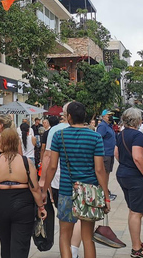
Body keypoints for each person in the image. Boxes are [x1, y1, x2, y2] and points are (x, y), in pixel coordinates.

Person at [43, 102, 110, 258]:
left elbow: (52, 167)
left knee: (64, 236)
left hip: (67, 191)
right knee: (88, 238)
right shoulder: (95, 137)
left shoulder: (59, 136)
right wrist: (106, 195)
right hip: (89, 193)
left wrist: (45, 188)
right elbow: (99, 170)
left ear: (69, 117)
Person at [0, 126, 47, 258]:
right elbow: (34, 188)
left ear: (2, 143)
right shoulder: (26, 162)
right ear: (17, 142)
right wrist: (41, 206)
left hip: (0, 203)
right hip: (23, 203)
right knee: (20, 245)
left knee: (5, 243)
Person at [40, 105, 85, 257]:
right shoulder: (89, 132)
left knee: (65, 218)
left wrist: (43, 180)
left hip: (60, 181)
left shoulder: (56, 131)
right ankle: (74, 249)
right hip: (84, 183)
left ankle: (67, 250)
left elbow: (48, 158)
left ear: (66, 114)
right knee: (80, 217)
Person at [115, 107, 143, 258]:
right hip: (135, 177)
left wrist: (125, 164)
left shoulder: (121, 134)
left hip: (123, 174)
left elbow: (116, 152)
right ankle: (136, 248)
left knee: (133, 210)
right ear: (138, 120)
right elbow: (137, 157)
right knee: (136, 212)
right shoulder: (137, 135)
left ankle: (137, 243)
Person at [96, 110, 117, 177]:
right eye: (109, 115)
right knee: (104, 173)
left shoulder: (109, 126)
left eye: (111, 115)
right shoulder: (102, 126)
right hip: (105, 153)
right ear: (104, 116)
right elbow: (99, 139)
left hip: (111, 153)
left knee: (108, 172)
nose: (110, 117)